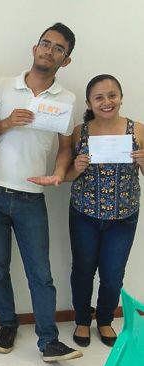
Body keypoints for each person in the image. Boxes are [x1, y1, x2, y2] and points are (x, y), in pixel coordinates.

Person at [0, 22, 83, 361]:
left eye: (58, 49)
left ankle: (48, 340)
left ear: (65, 60)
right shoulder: (4, 86)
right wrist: (7, 122)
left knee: (40, 273)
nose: (49, 51)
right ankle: (8, 324)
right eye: (45, 44)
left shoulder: (66, 99)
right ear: (35, 48)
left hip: (31, 196)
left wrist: (57, 173)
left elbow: (65, 148)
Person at [65, 75, 144, 347]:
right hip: (84, 214)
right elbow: (66, 176)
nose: (107, 102)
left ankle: (106, 319)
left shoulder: (138, 130)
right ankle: (82, 320)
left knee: (113, 274)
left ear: (121, 97)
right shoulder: (79, 131)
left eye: (112, 95)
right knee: (83, 271)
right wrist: (77, 166)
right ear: (89, 102)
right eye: (99, 97)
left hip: (124, 217)